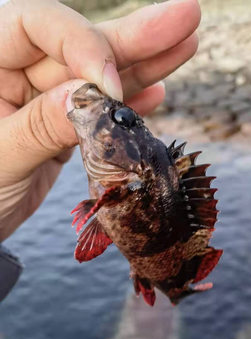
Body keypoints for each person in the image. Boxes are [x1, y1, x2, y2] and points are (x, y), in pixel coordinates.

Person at [0, 0, 200, 300]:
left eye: (123, 118)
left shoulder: (125, 186)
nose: (115, 114)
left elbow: (93, 236)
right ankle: (176, 288)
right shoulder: (126, 182)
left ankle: (176, 287)